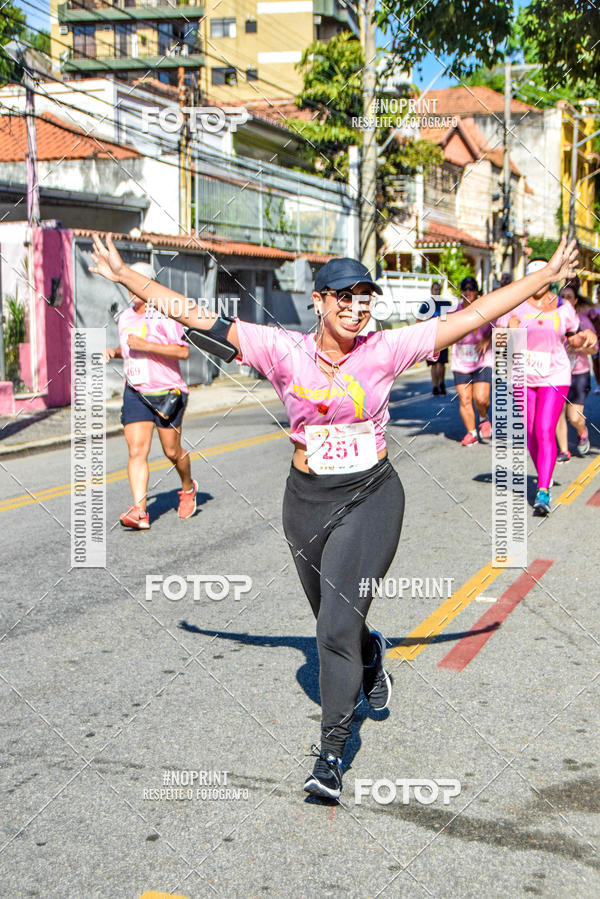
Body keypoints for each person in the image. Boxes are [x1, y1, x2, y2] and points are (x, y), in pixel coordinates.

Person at [90, 232, 579, 800]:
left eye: (364, 296)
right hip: (305, 499)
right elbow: (199, 316)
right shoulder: (281, 350)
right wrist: (127, 276)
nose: (355, 306)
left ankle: (330, 752)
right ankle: (370, 651)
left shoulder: (387, 349)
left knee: (331, 627)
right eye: (342, 296)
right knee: (336, 620)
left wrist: (542, 280)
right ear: (318, 301)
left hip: (372, 493)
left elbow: (473, 315)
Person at [497, 259, 597, 516]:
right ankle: (545, 472)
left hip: (555, 373)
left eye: (543, 277)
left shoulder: (563, 307)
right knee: (531, 432)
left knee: (544, 428)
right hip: (522, 374)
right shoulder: (514, 306)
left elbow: (574, 336)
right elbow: (498, 342)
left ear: (549, 279)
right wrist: (509, 333)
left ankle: (543, 490)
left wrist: (586, 337)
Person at [104, 261, 198, 529]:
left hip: (167, 392)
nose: (130, 288)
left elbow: (182, 351)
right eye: (128, 282)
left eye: (136, 282)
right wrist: (115, 352)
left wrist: (146, 345)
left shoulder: (165, 314)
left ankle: (188, 487)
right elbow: (130, 349)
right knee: (137, 450)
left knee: (171, 450)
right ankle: (140, 512)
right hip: (135, 391)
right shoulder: (125, 318)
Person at [556, 280, 598, 461]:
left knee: (574, 416)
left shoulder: (583, 320)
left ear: (575, 300)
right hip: (557, 372)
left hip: (579, 372)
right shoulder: (553, 318)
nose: (565, 300)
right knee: (558, 413)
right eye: (562, 297)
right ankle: (564, 451)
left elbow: (594, 349)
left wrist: (579, 347)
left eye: (569, 297)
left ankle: (582, 432)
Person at [450, 276, 493, 445]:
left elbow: (497, 329)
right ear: (461, 292)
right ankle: (472, 432)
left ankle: (483, 417)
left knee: (481, 398)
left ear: (476, 292)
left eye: (471, 289)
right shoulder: (454, 311)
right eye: (465, 289)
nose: (468, 293)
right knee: (465, 398)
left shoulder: (484, 309)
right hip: (461, 360)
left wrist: (486, 340)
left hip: (482, 360)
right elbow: (445, 329)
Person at [421, 281, 450, 395]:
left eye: (438, 289)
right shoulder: (426, 305)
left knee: (441, 363)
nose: (436, 291)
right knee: (433, 364)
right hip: (430, 338)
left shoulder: (446, 304)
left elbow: (451, 319)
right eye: (434, 289)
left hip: (443, 336)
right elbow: (420, 320)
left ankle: (441, 383)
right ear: (431, 291)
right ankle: (435, 386)